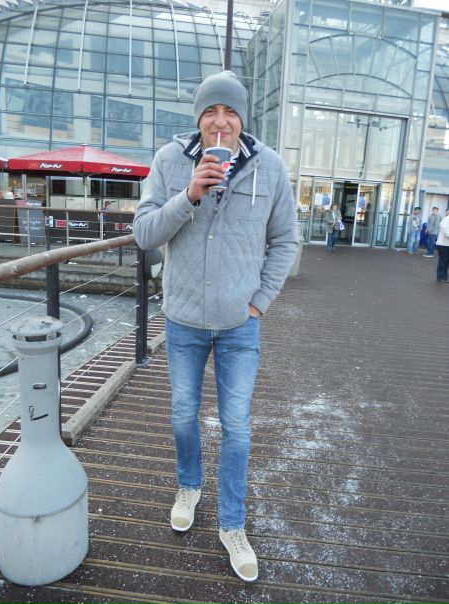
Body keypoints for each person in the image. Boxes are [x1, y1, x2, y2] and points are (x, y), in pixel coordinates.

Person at [133, 70, 298, 583]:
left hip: (238, 325)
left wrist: (259, 303)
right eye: (211, 112)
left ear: (242, 119)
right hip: (182, 319)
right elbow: (143, 233)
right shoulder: (168, 160)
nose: (220, 122)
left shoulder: (270, 167)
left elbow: (286, 240)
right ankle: (189, 486)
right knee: (183, 413)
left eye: (230, 112)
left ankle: (232, 524)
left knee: (237, 427)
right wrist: (189, 194)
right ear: (199, 118)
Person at [435, 210, 449, 283]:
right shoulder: (446, 220)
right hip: (443, 244)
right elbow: (446, 231)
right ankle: (440, 277)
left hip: (446, 244)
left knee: (446, 261)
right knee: (443, 260)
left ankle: (444, 277)